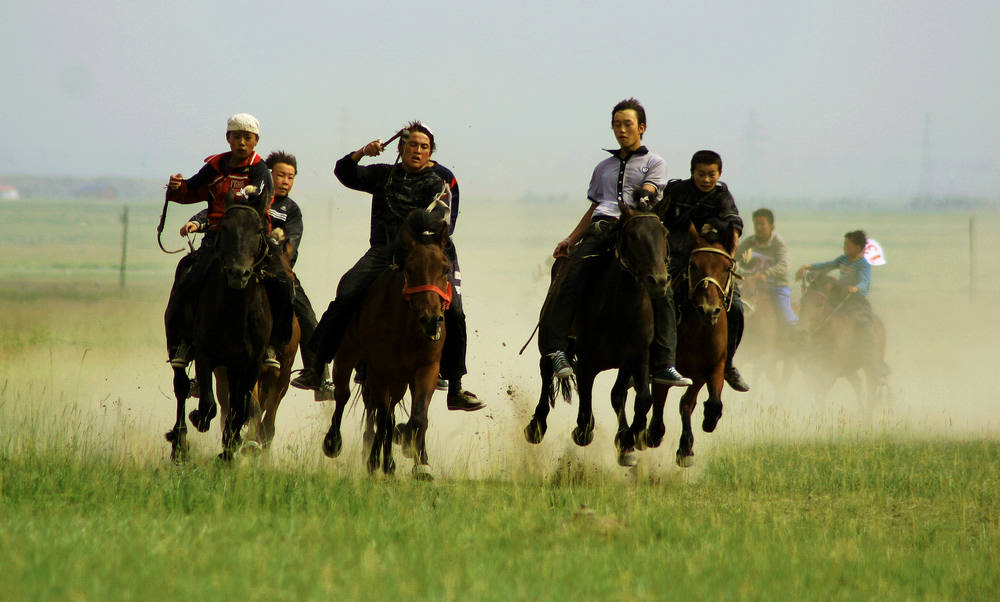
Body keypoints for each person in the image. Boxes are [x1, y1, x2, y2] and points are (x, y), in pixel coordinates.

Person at [291, 122, 485, 412]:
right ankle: (318, 364)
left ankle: (454, 385)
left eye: (423, 146)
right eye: (411, 145)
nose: (417, 150)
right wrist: (361, 153)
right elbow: (344, 173)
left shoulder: (438, 181)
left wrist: (414, 245)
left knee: (454, 310)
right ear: (401, 148)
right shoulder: (384, 174)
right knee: (348, 290)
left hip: (429, 255)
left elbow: (442, 225)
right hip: (384, 251)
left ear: (431, 151)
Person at [538, 98, 692, 387]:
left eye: (628, 124)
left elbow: (650, 190)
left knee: (662, 286)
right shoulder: (603, 167)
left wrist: (643, 195)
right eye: (617, 124)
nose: (622, 130)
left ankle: (664, 363)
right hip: (602, 228)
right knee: (569, 274)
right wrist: (571, 239)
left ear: (641, 127)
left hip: (639, 229)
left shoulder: (654, 162)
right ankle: (558, 349)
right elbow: (595, 207)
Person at [182, 151, 335, 401]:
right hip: (241, 263)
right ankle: (193, 360)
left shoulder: (291, 210)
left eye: (291, 177)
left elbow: (292, 244)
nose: (285, 181)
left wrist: (282, 254)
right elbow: (222, 214)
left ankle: (317, 374)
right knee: (203, 292)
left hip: (274, 267)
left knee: (307, 315)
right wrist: (197, 222)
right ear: (268, 176)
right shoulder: (251, 200)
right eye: (280, 175)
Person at [163, 113, 294, 372]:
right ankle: (184, 343)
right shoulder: (216, 166)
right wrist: (177, 186)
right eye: (237, 137)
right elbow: (192, 188)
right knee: (189, 278)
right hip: (218, 238)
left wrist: (248, 193)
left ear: (255, 141)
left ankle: (272, 343)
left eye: (247, 137)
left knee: (282, 283)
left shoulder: (260, 170)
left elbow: (259, 194)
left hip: (253, 240)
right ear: (228, 139)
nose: (242, 142)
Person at [660, 150, 750, 392]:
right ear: (693, 173)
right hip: (679, 255)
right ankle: (654, 361)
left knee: (737, 308)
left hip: (714, 260)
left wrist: (731, 257)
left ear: (719, 174)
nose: (707, 179)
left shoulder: (723, 196)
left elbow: (734, 227)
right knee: (658, 297)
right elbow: (664, 218)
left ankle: (728, 364)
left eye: (712, 174)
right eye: (701, 174)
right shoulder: (678, 191)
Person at [795, 229, 889, 380]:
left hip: (856, 300)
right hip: (840, 298)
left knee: (865, 324)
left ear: (857, 248)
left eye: (847, 245)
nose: (844, 247)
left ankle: (875, 362)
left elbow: (865, 283)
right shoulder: (843, 259)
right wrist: (809, 266)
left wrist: (856, 288)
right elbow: (828, 265)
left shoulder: (863, 264)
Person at [735, 208, 797, 326]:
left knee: (787, 316)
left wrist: (765, 274)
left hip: (776, 286)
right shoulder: (748, 242)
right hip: (752, 287)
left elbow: (784, 265)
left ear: (771, 225)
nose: (758, 227)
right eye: (756, 224)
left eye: (762, 224)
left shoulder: (778, 243)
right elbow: (734, 258)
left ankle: (796, 336)